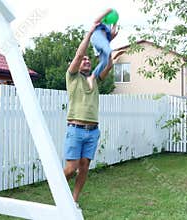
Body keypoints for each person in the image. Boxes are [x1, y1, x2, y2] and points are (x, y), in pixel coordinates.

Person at [63, 22, 115, 208]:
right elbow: (78, 54)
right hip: (75, 129)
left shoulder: (94, 79)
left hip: (93, 131)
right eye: (83, 60)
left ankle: (73, 201)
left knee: (84, 166)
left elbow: (108, 65)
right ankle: (58, 189)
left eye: (88, 59)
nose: (86, 61)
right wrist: (90, 33)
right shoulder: (72, 77)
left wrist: (107, 43)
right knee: (70, 169)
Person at [86, 9, 123, 90]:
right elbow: (95, 21)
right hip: (97, 37)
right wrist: (106, 12)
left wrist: (115, 22)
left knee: (104, 62)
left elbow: (112, 33)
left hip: (104, 42)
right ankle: (112, 53)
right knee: (107, 48)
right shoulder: (102, 21)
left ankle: (92, 77)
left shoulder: (109, 25)